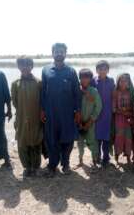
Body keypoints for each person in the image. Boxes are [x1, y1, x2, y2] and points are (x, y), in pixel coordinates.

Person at [41, 43, 81, 177]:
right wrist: (42, 110)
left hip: (67, 114)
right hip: (51, 113)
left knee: (68, 140)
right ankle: (52, 165)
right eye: (56, 51)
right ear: (52, 53)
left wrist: (78, 111)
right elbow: (43, 92)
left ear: (65, 54)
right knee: (51, 140)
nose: (59, 54)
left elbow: (77, 93)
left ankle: (66, 164)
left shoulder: (71, 71)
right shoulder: (46, 70)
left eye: (61, 51)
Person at [11, 57, 43, 177]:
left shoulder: (38, 82)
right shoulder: (15, 83)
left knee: (36, 142)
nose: (25, 67)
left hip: (36, 118)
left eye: (28, 65)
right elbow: (14, 102)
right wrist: (22, 112)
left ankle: (35, 166)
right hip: (21, 118)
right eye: (22, 65)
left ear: (32, 66)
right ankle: (26, 167)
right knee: (22, 143)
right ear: (18, 67)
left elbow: (42, 101)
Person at [75, 68, 102, 172]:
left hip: (90, 122)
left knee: (92, 142)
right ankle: (80, 161)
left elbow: (98, 107)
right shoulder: (77, 90)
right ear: (79, 78)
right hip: (78, 122)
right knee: (80, 143)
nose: (85, 80)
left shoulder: (93, 91)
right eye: (82, 77)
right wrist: (76, 118)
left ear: (91, 79)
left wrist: (91, 120)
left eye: (87, 77)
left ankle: (94, 162)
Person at [91, 60, 115, 168]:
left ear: (108, 70)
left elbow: (113, 95)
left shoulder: (111, 81)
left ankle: (106, 159)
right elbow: (89, 93)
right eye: (100, 69)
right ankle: (97, 157)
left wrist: (114, 109)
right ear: (97, 70)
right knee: (97, 138)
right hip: (97, 113)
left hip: (107, 113)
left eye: (105, 69)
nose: (102, 71)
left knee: (106, 138)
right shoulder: (93, 81)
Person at [113, 73, 134, 165]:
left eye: (125, 81)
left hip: (128, 118)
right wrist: (121, 111)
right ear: (118, 82)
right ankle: (116, 156)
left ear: (128, 82)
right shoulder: (115, 92)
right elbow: (113, 107)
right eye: (121, 81)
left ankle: (128, 156)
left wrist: (129, 112)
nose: (123, 83)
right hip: (118, 118)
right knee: (118, 137)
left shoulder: (131, 92)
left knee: (128, 137)